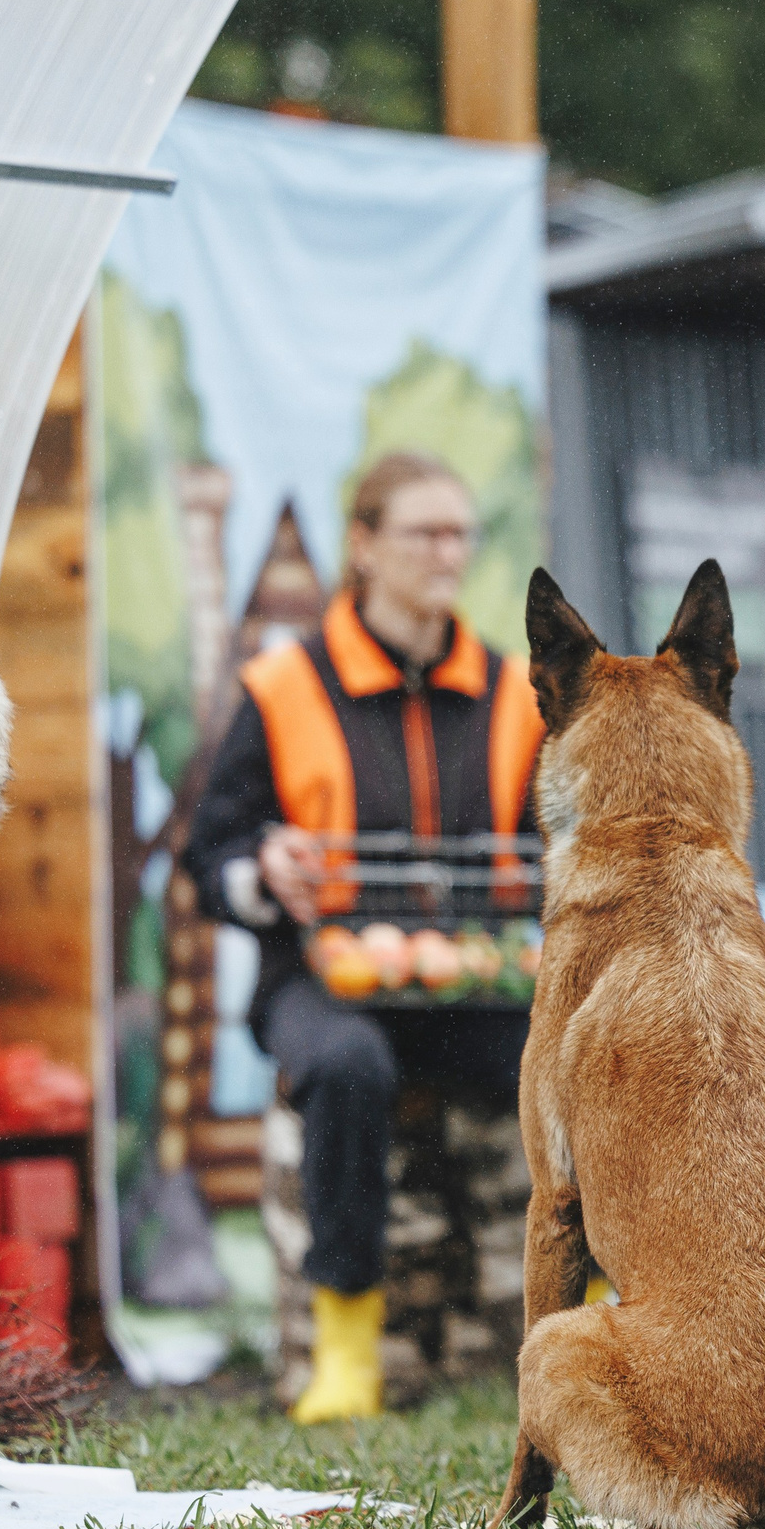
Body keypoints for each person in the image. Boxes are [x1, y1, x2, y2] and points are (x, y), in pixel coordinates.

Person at [181, 452, 543, 1423]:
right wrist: (264, 873)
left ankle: (585, 1314)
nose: (447, 551)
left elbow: (555, 848)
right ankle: (344, 1350)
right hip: (319, 978)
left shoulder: (517, 697)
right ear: (364, 544)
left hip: (479, 981)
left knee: (576, 1056)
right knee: (343, 1068)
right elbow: (206, 861)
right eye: (424, 531)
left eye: (460, 532)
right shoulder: (281, 688)